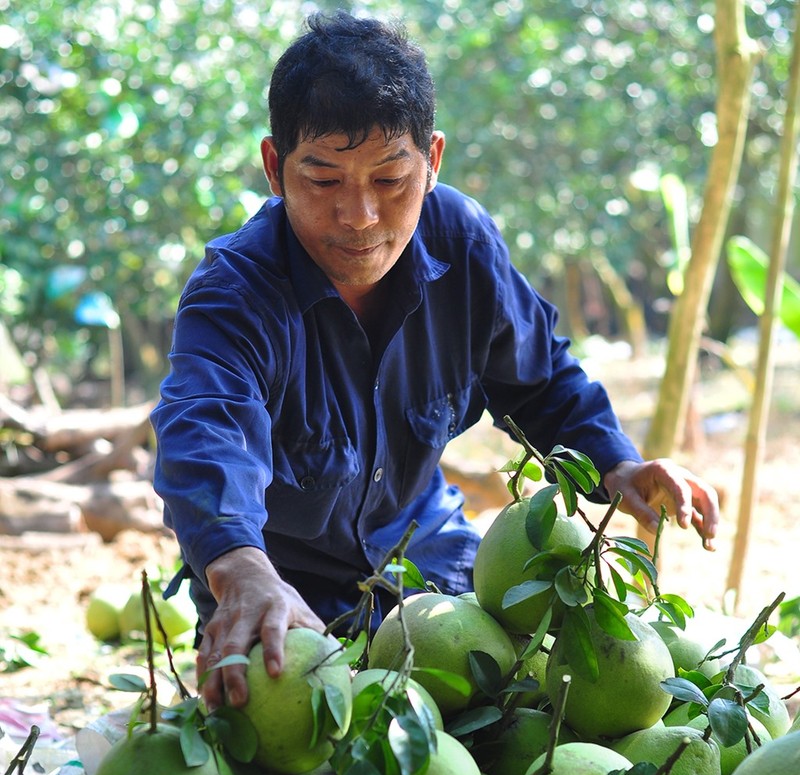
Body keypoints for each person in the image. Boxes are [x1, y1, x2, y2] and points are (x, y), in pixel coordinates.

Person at [151, 10, 719, 712]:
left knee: (546, 715)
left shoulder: (464, 245)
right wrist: (239, 571)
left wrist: (618, 466)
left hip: (435, 570)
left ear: (433, 160)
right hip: (282, 599)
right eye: (324, 181)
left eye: (390, 180)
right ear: (275, 168)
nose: (359, 215)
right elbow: (206, 432)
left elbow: (539, 381)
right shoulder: (234, 293)